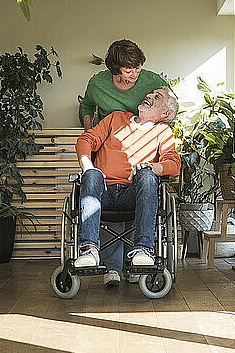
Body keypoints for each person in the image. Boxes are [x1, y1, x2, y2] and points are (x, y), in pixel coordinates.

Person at [74, 87, 180, 287]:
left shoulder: (162, 132)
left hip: (132, 195)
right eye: (150, 93)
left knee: (148, 176)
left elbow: (173, 164)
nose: (148, 95)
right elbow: (86, 139)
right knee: (92, 174)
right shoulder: (115, 119)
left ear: (165, 113)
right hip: (102, 191)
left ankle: (143, 250)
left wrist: (152, 167)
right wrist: (87, 165)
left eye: (157, 97)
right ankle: (89, 250)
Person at [80, 39, 169, 131]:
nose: (135, 74)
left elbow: (171, 107)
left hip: (142, 137)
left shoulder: (154, 82)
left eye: (137, 68)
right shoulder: (97, 84)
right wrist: (88, 132)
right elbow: (87, 106)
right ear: (116, 69)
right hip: (107, 137)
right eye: (128, 71)